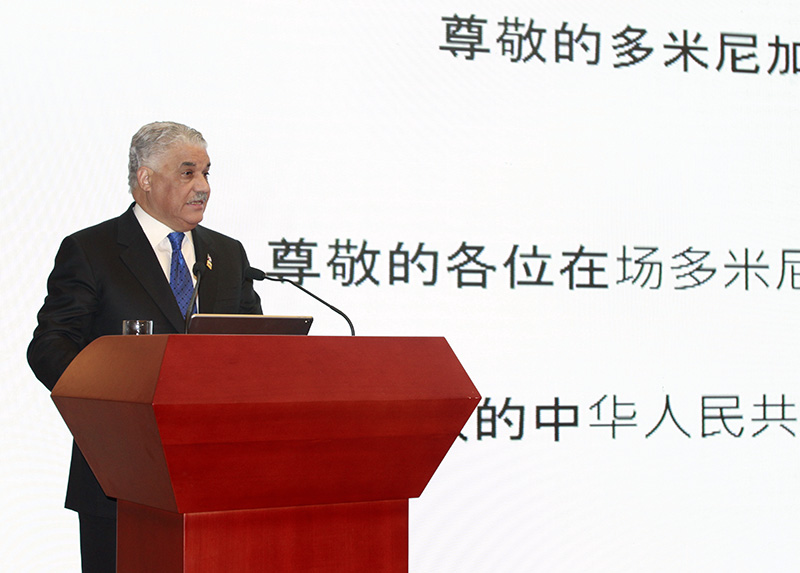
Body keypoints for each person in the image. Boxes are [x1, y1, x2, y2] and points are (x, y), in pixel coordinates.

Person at [27, 121, 263, 572]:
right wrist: (108, 410)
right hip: (120, 477)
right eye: (188, 172)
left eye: (208, 173)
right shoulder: (92, 250)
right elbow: (50, 345)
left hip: (216, 478)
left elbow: (255, 351)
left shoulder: (228, 254)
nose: (203, 187)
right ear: (146, 179)